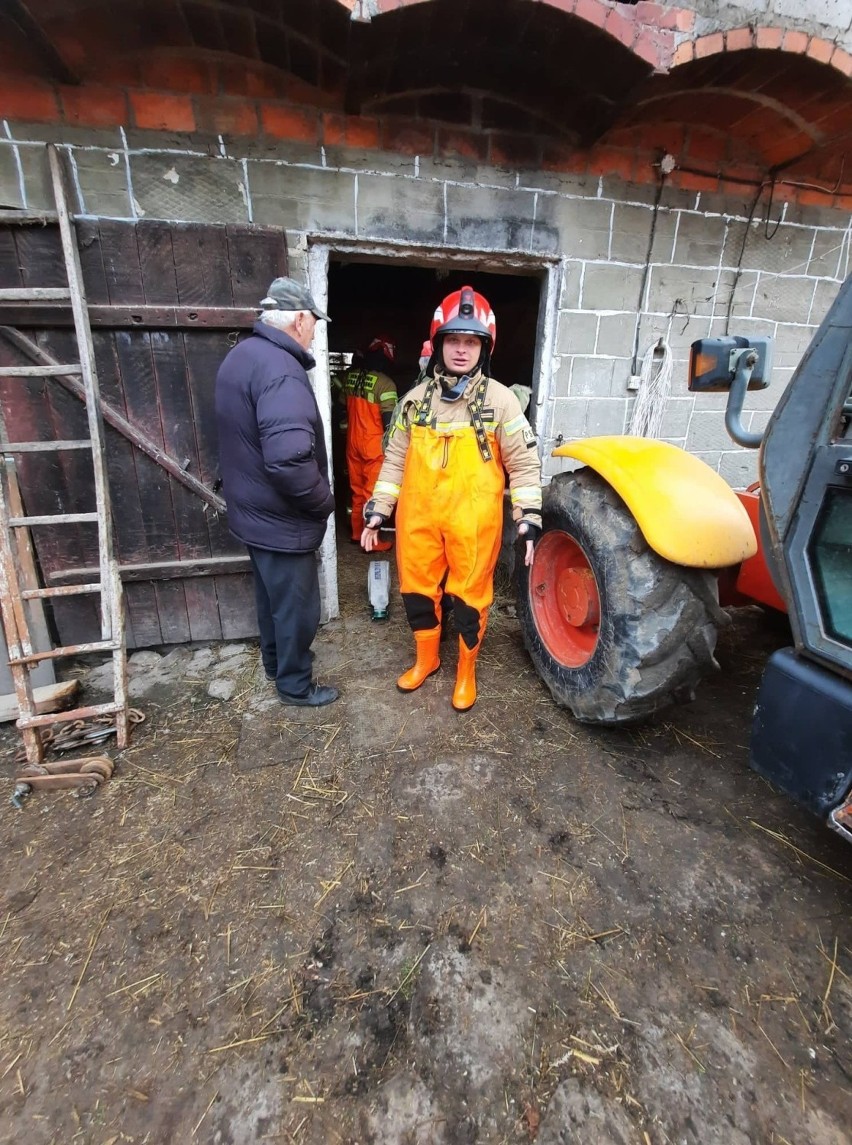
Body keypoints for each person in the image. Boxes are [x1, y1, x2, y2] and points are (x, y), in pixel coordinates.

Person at [361, 285, 542, 711]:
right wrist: (377, 510)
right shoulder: (413, 402)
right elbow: (393, 463)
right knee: (417, 590)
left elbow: (524, 465)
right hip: (418, 519)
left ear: (484, 347)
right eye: (454, 340)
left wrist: (528, 517)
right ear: (439, 343)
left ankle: (465, 670)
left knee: (469, 598)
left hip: (472, 523)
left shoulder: (502, 403)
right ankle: (426, 660)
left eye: (471, 342)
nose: (461, 350)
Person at [214, 276, 339, 708]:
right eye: (314, 323)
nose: (314, 332)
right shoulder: (281, 370)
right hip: (281, 518)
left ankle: (274, 665)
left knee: (271, 599)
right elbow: (288, 460)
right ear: (300, 319)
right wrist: (323, 502)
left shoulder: (242, 355)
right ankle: (295, 686)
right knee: (296, 610)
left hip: (253, 513)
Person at [337, 337, 398, 552]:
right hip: (374, 446)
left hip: (352, 444)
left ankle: (356, 534)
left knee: (356, 490)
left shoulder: (351, 378)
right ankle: (371, 542)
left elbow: (342, 406)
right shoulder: (385, 383)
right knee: (373, 493)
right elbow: (389, 421)